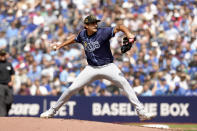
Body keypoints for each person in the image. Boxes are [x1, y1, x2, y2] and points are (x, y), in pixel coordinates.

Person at [40, 15, 156, 121]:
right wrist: (60, 45)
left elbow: (120, 26)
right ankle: (52, 111)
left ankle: (141, 112)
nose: (95, 25)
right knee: (71, 89)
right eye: (92, 23)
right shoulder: (82, 34)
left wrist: (129, 34)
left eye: (96, 23)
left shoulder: (103, 32)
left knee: (125, 84)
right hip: (91, 68)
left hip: (108, 67)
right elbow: (74, 38)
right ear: (86, 26)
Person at [0, 49, 15, 116]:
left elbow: (12, 74)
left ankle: (6, 112)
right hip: (1, 85)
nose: (3, 56)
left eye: (4, 55)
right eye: (1, 55)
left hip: (9, 85)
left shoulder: (9, 64)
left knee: (10, 100)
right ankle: (2, 116)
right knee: (1, 100)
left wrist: (12, 81)